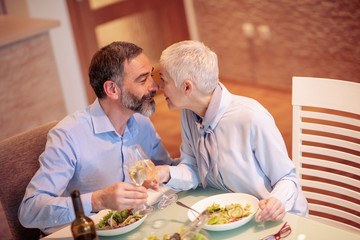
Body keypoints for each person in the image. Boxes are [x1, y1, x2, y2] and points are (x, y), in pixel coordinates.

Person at [18, 41, 178, 235]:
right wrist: (98, 200)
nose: (155, 86)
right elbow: (29, 210)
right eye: (143, 80)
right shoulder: (68, 135)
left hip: (134, 228)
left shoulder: (141, 122)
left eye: (151, 75)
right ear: (112, 89)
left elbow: (166, 168)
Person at [155, 40, 309, 222]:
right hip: (230, 216)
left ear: (187, 87)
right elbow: (195, 168)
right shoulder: (189, 113)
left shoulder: (251, 116)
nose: (159, 87)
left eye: (164, 80)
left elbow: (286, 178)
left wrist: (277, 201)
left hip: (273, 218)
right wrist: (166, 173)